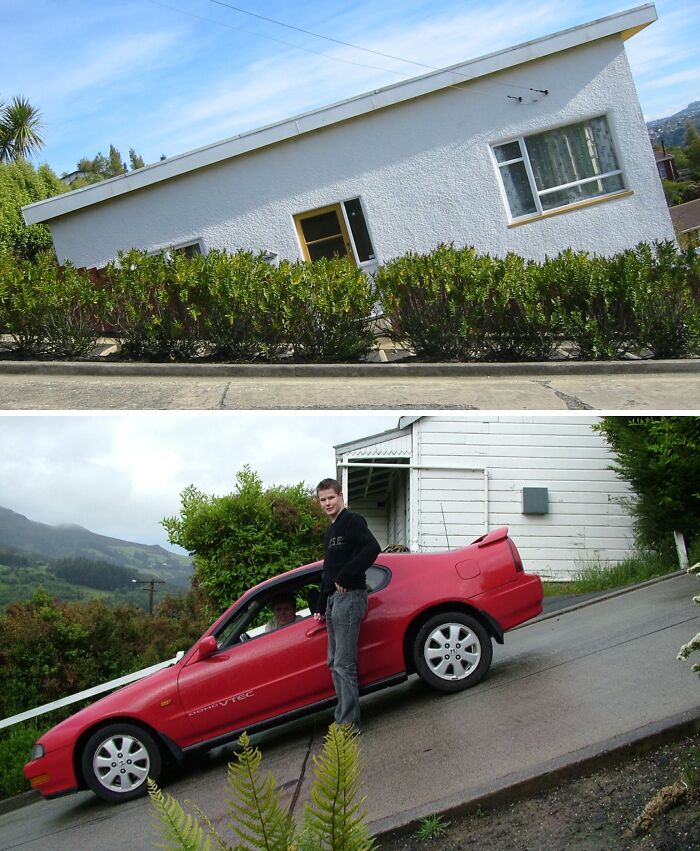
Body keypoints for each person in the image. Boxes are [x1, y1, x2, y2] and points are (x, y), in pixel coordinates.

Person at [314, 477, 380, 729]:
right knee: (334, 662)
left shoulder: (352, 521)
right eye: (323, 499)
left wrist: (347, 575)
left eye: (331, 497)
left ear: (341, 496)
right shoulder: (330, 531)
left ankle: (348, 724)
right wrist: (321, 605)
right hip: (333, 601)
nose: (328, 503)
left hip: (350, 596)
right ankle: (343, 717)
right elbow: (329, 571)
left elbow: (372, 548)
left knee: (344, 662)